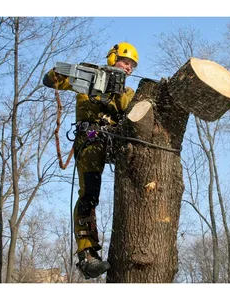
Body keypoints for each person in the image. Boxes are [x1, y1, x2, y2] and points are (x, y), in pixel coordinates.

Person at [43, 42, 139, 279]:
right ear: (113, 58)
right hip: (92, 140)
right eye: (125, 62)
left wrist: (115, 95)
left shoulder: (127, 93)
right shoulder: (89, 79)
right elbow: (50, 80)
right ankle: (87, 255)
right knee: (89, 194)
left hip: (116, 142)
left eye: (132, 66)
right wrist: (73, 72)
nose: (128, 68)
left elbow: (132, 112)